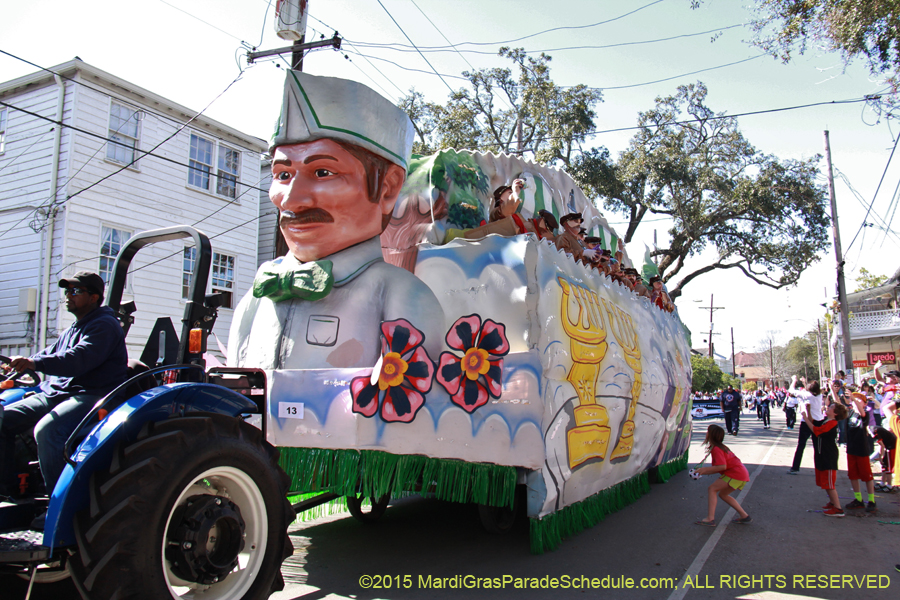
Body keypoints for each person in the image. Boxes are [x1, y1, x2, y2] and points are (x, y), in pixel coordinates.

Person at [228, 71, 445, 372]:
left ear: (387, 187)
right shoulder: (261, 292)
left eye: (322, 172)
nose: (291, 200)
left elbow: (409, 406)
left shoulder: (400, 295)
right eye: (283, 175)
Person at [1, 271, 127, 505]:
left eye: (75, 291)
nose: (68, 296)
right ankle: (11, 491)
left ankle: (60, 505)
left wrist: (35, 363)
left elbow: (79, 359)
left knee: (48, 430)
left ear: (94, 297)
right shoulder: (75, 327)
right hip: (58, 393)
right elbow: (50, 354)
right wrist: (21, 364)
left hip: (91, 395)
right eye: (67, 291)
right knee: (3, 417)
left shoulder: (105, 325)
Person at [694, 424, 751, 526]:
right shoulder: (720, 447)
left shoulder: (717, 449)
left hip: (735, 473)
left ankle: (710, 518)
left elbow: (721, 466)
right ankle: (744, 516)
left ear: (711, 435)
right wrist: (703, 471)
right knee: (723, 494)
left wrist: (704, 470)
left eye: (708, 432)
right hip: (740, 473)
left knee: (712, 489)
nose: (706, 434)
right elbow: (719, 468)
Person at [802, 401, 849, 516]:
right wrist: (808, 412)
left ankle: (838, 508)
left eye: (831, 407)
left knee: (829, 483)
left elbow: (816, 430)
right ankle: (833, 503)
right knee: (825, 482)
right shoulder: (826, 421)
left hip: (828, 455)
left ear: (836, 413)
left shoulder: (832, 423)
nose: (828, 408)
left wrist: (804, 418)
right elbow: (815, 423)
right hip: (821, 453)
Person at [843, 391, 877, 512]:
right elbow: (838, 403)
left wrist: (853, 397)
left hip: (862, 449)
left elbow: (861, 411)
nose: (855, 401)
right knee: (853, 476)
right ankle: (858, 499)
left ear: (864, 403)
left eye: (859, 400)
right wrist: (832, 389)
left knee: (867, 476)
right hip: (851, 448)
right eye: (854, 400)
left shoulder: (865, 414)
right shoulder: (851, 412)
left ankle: (872, 500)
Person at [787, 377, 825, 474]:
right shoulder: (819, 396)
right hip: (818, 421)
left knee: (801, 445)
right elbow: (811, 390)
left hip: (807, 421)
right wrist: (805, 383)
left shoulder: (806, 395)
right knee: (817, 447)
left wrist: (794, 380)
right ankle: (819, 468)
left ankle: (795, 467)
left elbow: (791, 390)